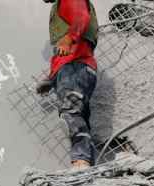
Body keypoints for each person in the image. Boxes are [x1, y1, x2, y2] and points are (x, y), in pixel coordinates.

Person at [35, 0, 99, 169]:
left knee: (70, 113)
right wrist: (52, 79)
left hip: (76, 67)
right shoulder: (59, 6)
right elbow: (62, 58)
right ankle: (87, 161)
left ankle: (81, 161)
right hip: (74, 69)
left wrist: (69, 38)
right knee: (78, 116)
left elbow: (81, 16)